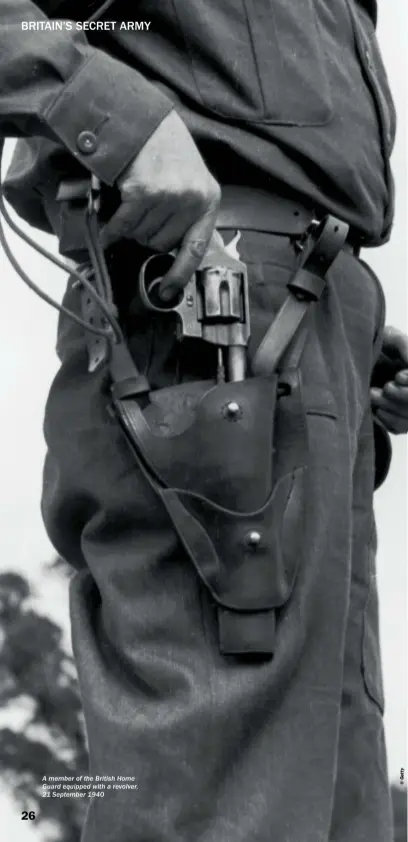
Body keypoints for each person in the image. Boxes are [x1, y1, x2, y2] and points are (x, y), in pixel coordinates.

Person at [0, 2, 407, 840]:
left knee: (336, 811)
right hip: (190, 295)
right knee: (220, 803)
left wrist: (349, 325)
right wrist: (107, 113)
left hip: (303, 306)